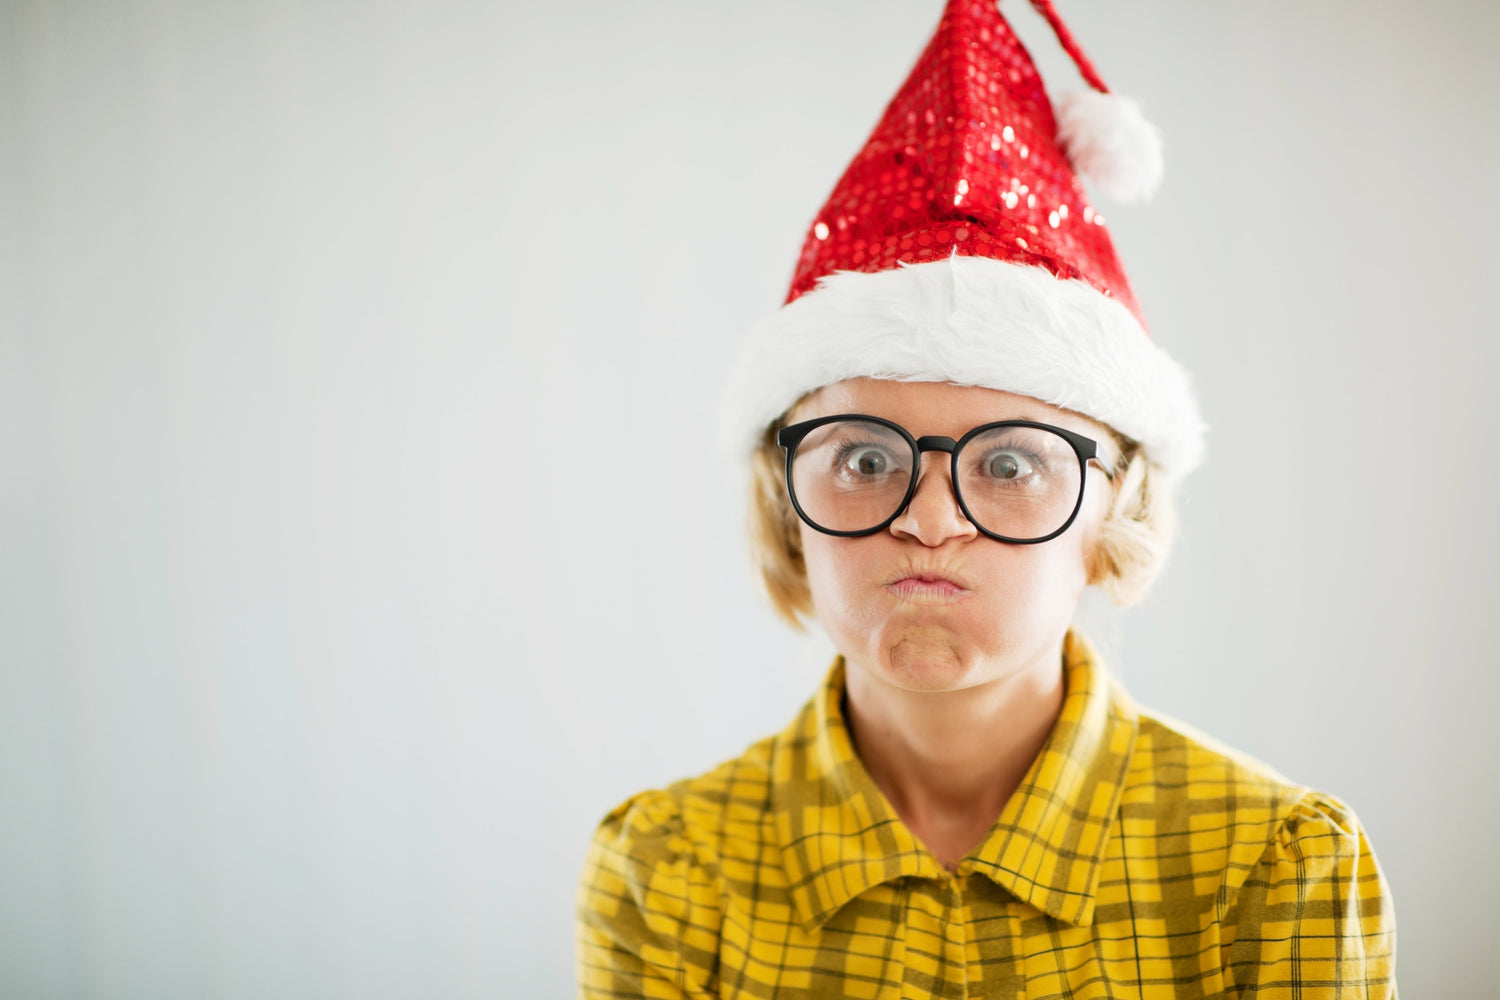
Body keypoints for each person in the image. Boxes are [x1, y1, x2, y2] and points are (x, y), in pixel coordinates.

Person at [576, 1, 1397, 996]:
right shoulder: (668, 872)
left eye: (1009, 466)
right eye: (865, 459)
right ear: (785, 502)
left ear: (1115, 509)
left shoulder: (1274, 868)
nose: (928, 520)